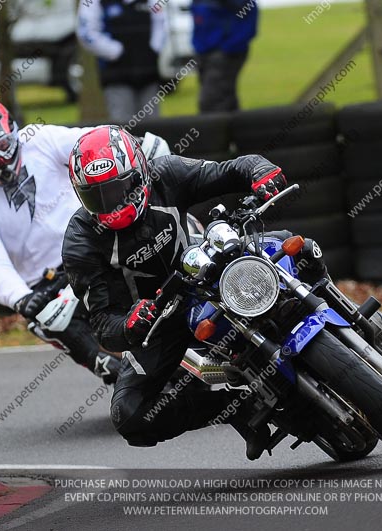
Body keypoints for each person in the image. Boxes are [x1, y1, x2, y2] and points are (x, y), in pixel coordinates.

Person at [62, 125, 291, 460]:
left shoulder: (166, 174)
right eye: (98, 196)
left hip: (210, 272)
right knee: (129, 415)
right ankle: (234, 407)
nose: (111, 204)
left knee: (290, 245)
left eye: (119, 190)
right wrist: (129, 324)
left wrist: (260, 171)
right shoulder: (81, 238)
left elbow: (231, 169)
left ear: (140, 173)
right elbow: (101, 322)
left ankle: (345, 317)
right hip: (159, 318)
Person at [0, 98, 171, 384]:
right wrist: (21, 299)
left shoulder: (40, 139)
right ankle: (118, 374)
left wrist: (130, 146)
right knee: (49, 320)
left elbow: (88, 144)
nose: (0, 161)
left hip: (95, 244)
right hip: (48, 284)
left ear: (14, 134)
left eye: (3, 147)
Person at [76, 0, 166, 123]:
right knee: (123, 128)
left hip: (148, 73)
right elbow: (86, 32)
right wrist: (115, 51)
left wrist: (153, 50)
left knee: (153, 126)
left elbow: (161, 23)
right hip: (116, 76)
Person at [191, 0, 258, 113]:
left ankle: (212, 129)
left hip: (227, 52)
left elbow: (248, 13)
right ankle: (234, 128)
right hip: (206, 52)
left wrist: (228, 47)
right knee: (225, 99)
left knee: (211, 100)